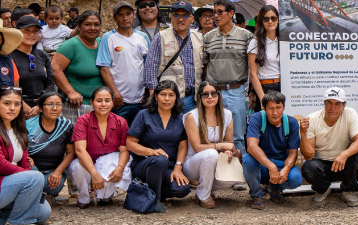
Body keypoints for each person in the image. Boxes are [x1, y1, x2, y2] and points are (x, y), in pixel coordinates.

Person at [126, 80, 191, 212]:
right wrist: (151, 152)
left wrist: (178, 167)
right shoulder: (144, 115)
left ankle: (148, 190)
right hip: (144, 164)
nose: (167, 99)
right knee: (160, 159)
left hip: (169, 167)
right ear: (156, 96)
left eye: (171, 95)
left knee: (182, 189)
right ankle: (155, 200)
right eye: (163, 94)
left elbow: (183, 145)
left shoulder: (180, 118)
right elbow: (130, 143)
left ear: (176, 98)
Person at [301, 87, 358, 207]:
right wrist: (303, 134)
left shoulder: (350, 113)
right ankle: (323, 190)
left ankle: (347, 190)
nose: (332, 108)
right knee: (309, 168)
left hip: (343, 163)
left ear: (343, 106)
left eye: (337, 104)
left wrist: (344, 154)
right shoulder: (313, 119)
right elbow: (308, 155)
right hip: (322, 165)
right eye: (329, 103)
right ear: (324, 104)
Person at [203, 0, 253, 151]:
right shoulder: (208, 38)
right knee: (213, 135)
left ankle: (239, 172)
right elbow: (205, 65)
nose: (215, 16)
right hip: (213, 94)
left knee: (237, 136)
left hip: (236, 92)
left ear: (231, 13)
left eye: (219, 12)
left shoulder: (246, 36)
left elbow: (252, 67)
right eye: (214, 13)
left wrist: (250, 92)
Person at [70, 87, 131, 208]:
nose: (103, 104)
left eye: (107, 100)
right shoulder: (83, 121)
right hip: (88, 162)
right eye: (99, 100)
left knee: (119, 164)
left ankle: (106, 195)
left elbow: (124, 150)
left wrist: (120, 167)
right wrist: (94, 173)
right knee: (77, 167)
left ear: (112, 102)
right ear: (92, 103)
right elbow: (80, 150)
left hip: (108, 163)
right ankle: (84, 196)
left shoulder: (121, 122)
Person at [0, 87, 50, 225]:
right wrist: (27, 175)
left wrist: (27, 174)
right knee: (35, 176)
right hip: (3, 184)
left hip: (11, 184)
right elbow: (1, 164)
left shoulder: (19, 130)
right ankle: (16, 222)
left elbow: (25, 162)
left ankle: (6, 221)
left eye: (17, 104)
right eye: (7, 103)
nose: (12, 108)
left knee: (43, 213)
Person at [182, 81, 238, 209]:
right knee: (211, 154)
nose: (210, 97)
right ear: (199, 98)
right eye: (205, 94)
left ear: (219, 95)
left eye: (213, 93)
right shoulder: (192, 116)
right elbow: (197, 148)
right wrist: (221, 146)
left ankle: (205, 186)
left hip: (215, 161)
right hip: (192, 164)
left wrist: (228, 151)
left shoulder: (227, 114)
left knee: (234, 177)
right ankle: (203, 195)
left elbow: (229, 143)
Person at [242, 91, 302, 209]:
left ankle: (275, 189)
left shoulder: (291, 123)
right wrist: (271, 167)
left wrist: (286, 168)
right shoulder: (257, 118)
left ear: (284, 107)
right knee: (248, 161)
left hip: (280, 163)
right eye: (271, 108)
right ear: (264, 108)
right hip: (262, 164)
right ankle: (256, 195)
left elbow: (293, 152)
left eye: (278, 108)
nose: (275, 113)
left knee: (295, 179)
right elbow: (251, 146)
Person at [145, 1, 204, 113]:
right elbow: (150, 69)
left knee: (190, 130)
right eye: (176, 15)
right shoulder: (161, 37)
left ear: (192, 19)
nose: (180, 19)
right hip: (168, 100)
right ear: (171, 18)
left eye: (185, 15)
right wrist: (154, 98)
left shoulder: (199, 38)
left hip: (193, 99)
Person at [96, 1, 149, 123]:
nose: (125, 18)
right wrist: (115, 93)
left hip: (141, 101)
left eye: (128, 14)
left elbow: (148, 66)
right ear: (115, 18)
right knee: (117, 136)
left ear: (134, 15)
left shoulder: (143, 37)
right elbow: (104, 68)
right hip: (119, 101)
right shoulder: (108, 38)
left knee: (137, 138)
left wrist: (146, 92)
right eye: (120, 15)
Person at [53, 11, 103, 121]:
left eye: (96, 24)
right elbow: (55, 69)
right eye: (87, 24)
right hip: (76, 106)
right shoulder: (70, 45)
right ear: (79, 27)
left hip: (99, 105)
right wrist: (70, 92)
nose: (92, 28)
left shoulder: (101, 43)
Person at [27, 92, 74, 205]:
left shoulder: (66, 125)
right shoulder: (28, 124)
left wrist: (58, 172)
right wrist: (26, 157)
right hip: (32, 167)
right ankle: (36, 196)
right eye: (49, 104)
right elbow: (19, 148)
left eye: (58, 104)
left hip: (52, 170)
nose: (54, 108)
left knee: (53, 188)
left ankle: (41, 194)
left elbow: (71, 153)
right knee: (33, 177)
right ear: (41, 108)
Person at [12, 16, 54, 116]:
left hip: (41, 107)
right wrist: (22, 105)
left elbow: (50, 81)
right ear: (17, 32)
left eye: (35, 31)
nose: (31, 34)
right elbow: (8, 86)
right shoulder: (8, 56)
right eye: (26, 31)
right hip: (15, 107)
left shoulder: (42, 55)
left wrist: (40, 105)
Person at [247, 6, 282, 111]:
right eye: (266, 19)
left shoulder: (284, 41)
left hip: (284, 87)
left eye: (273, 18)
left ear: (278, 19)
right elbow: (253, 74)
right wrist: (262, 99)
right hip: (265, 88)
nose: (270, 21)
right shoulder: (255, 43)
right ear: (261, 21)